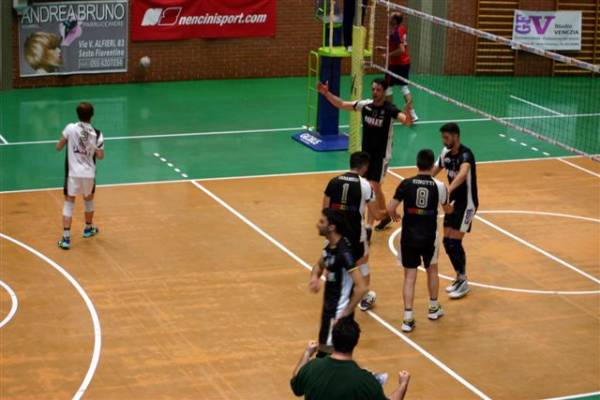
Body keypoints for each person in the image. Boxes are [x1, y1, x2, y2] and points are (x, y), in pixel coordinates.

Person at [317, 78, 412, 241]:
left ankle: (368, 227)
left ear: (384, 92)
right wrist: (326, 93)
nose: (375, 92)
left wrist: (408, 112)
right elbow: (342, 104)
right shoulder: (365, 105)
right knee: (374, 188)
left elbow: (407, 122)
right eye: (373, 89)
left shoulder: (390, 109)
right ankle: (384, 215)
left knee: (372, 186)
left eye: (378, 90)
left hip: (381, 156)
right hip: (365, 156)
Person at [388, 149, 453, 332]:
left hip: (408, 236)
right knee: (432, 270)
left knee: (409, 277)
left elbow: (390, 208)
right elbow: (447, 210)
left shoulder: (406, 183)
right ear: (432, 165)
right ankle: (433, 308)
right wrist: (453, 208)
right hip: (429, 236)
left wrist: (395, 215)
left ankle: (408, 318)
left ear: (417, 164)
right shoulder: (439, 186)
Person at [323, 151, 388, 311]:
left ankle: (338, 295)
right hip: (355, 234)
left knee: (335, 263)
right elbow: (376, 215)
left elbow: (325, 210)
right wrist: (389, 211)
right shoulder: (365, 185)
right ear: (365, 167)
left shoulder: (333, 181)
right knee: (363, 261)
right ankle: (364, 297)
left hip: (334, 233)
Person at [291, 318, 411, 400]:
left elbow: (296, 386)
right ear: (355, 342)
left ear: (333, 339)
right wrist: (403, 384)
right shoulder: (364, 380)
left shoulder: (312, 367)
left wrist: (307, 353)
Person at [309, 208, 368, 356]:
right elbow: (319, 265)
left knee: (328, 356)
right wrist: (315, 277)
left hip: (338, 314)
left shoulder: (344, 253)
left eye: (321, 222)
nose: (317, 224)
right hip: (328, 311)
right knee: (324, 352)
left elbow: (362, 287)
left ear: (331, 227)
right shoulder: (329, 247)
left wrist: (345, 314)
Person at [431, 123, 479, 299]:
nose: (444, 141)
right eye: (442, 137)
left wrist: (447, 190)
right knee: (447, 242)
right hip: (453, 202)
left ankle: (463, 281)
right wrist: (420, 181)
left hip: (467, 203)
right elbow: (433, 171)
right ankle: (459, 277)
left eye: (446, 137)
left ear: (456, 136)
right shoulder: (445, 153)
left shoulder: (466, 155)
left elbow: (462, 174)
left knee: (455, 242)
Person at [56, 102, 104, 250]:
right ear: (92, 115)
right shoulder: (97, 134)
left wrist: (70, 142)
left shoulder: (70, 128)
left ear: (77, 115)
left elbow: (58, 147)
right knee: (88, 199)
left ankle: (66, 238)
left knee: (69, 202)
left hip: (72, 174)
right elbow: (100, 156)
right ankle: (88, 229)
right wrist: (92, 148)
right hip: (89, 174)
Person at [378, 13, 418, 121]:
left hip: (396, 64)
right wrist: (384, 49)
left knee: (388, 87)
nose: (389, 17)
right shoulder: (401, 29)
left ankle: (389, 113)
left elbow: (401, 50)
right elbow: (397, 45)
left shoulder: (396, 32)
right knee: (404, 87)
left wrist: (388, 55)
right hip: (405, 63)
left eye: (391, 17)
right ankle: (413, 115)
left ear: (395, 20)